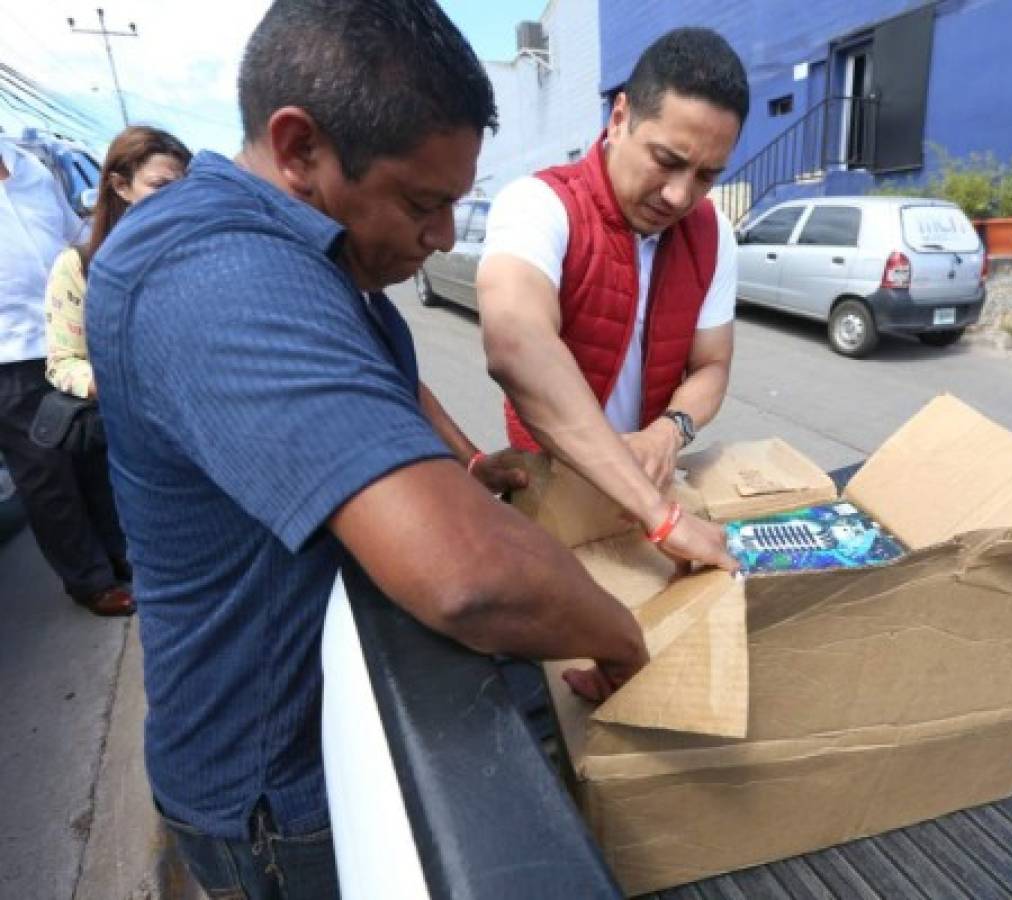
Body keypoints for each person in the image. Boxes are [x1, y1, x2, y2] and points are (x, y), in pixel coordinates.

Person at [85, 1, 650, 897]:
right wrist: (626, 640)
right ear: (300, 148)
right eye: (422, 203)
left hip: (336, 721)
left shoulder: (312, 256)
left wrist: (462, 460)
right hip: (281, 795)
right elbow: (468, 576)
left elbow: (361, 375)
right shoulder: (216, 276)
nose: (443, 237)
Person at [477, 28, 748, 573]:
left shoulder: (712, 233)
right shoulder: (538, 205)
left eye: (706, 175)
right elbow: (516, 344)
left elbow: (712, 366)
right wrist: (659, 515)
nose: (679, 195)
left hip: (651, 491)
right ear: (620, 116)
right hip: (557, 498)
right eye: (666, 160)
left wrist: (669, 432)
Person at [36, 126, 191, 618]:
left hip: (195, 444)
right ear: (120, 186)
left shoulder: (197, 259)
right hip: (132, 448)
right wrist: (117, 385)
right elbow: (63, 363)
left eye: (183, 189)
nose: (174, 202)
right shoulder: (78, 266)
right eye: (159, 187)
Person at [0, 137, 132, 615]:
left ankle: (121, 555)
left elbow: (74, 234)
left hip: (73, 333)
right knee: (46, 474)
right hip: (10, 355)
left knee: (92, 452)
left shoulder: (32, 169)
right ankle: (90, 580)